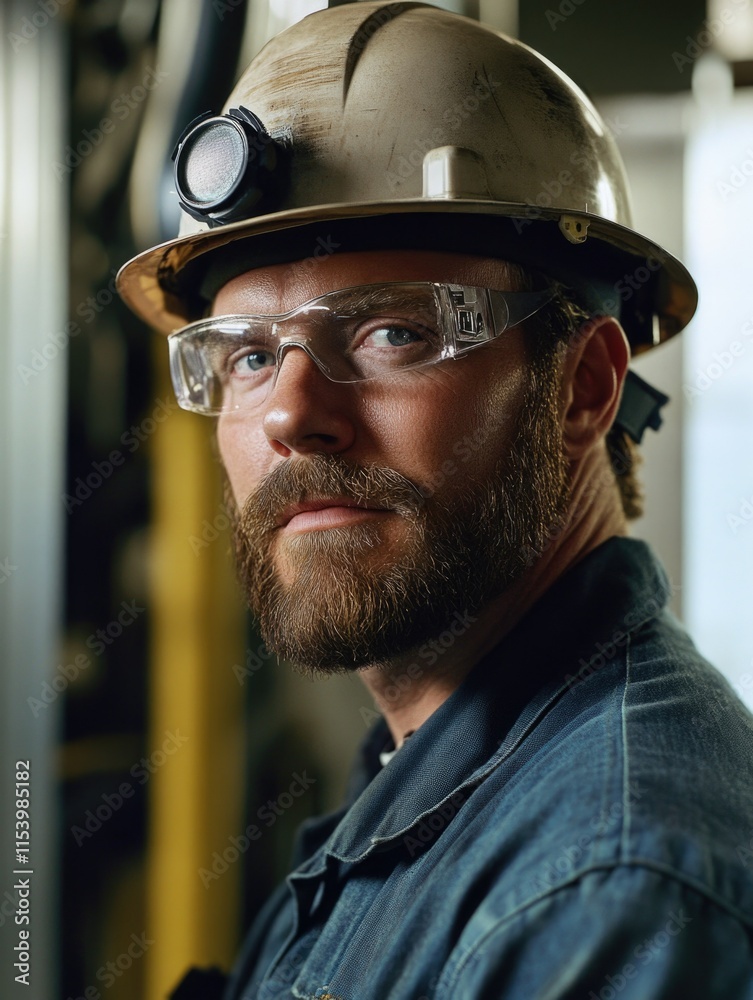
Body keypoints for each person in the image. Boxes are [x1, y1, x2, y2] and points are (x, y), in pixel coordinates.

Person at [118, 3, 753, 997]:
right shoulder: (426, 780)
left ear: (582, 386)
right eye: (246, 355)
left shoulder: (608, 894)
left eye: (393, 333)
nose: (292, 413)